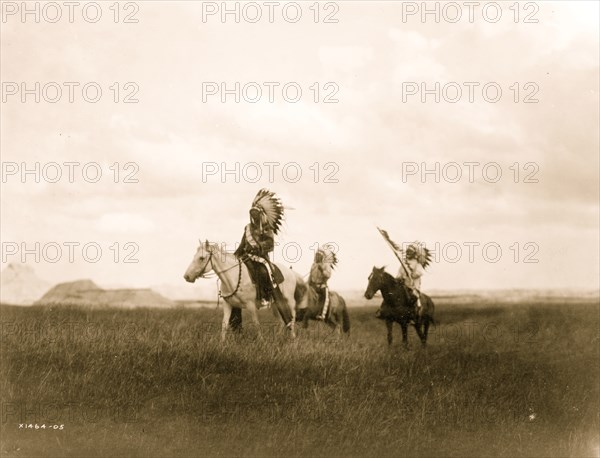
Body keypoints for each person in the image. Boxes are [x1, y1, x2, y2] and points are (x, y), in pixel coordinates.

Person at [234, 189, 284, 307]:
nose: (254, 217)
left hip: (261, 257)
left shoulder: (267, 228)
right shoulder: (247, 228)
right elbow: (242, 244)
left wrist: (259, 248)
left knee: (262, 272)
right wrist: (235, 254)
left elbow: (270, 244)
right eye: (252, 214)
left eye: (256, 214)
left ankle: (264, 296)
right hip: (246, 256)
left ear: (260, 214)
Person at [396, 242, 430, 313]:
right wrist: (399, 278)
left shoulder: (417, 263)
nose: (408, 253)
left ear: (414, 253)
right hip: (403, 285)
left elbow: (419, 273)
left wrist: (411, 273)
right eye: (407, 252)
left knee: (414, 296)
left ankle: (418, 309)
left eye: (410, 252)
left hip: (413, 286)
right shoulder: (404, 263)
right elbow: (399, 274)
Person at [309, 245, 337, 320]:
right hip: (312, 286)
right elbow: (310, 276)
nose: (317, 257)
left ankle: (322, 314)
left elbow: (328, 275)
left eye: (319, 256)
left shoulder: (326, 265)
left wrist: (322, 270)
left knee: (324, 297)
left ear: (322, 257)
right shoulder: (313, 265)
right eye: (316, 255)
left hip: (322, 286)